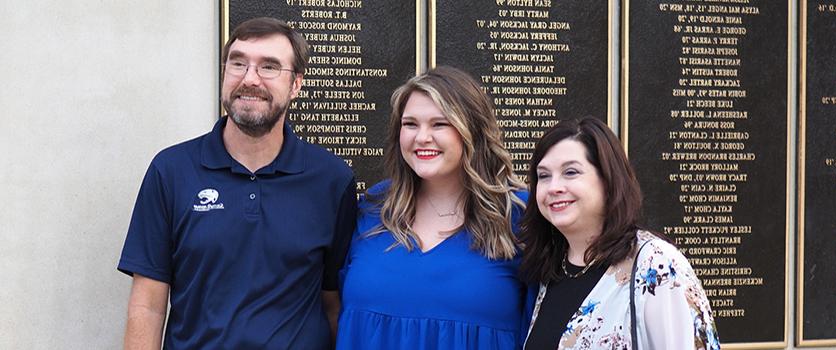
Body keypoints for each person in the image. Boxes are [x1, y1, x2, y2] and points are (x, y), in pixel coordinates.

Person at [117, 17, 356, 349]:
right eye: (238, 63)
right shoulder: (171, 171)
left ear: (296, 84)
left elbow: (334, 304)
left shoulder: (332, 180)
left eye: (269, 67)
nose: (250, 79)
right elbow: (148, 306)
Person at [336, 66, 533, 349]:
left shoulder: (516, 215)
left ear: (472, 131)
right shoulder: (373, 208)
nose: (422, 137)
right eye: (410, 124)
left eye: (439, 124)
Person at [520, 118, 720, 349]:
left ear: (608, 179)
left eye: (571, 172)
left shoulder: (656, 264)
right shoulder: (551, 269)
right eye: (544, 176)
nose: (554, 187)